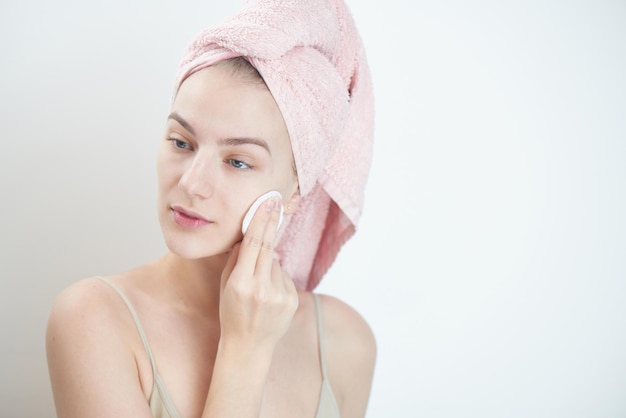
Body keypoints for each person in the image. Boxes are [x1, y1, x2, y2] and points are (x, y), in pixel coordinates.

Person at [46, 0, 375, 417]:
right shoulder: (93, 320)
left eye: (238, 161)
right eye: (181, 142)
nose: (190, 183)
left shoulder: (346, 342)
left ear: (296, 191)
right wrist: (245, 350)